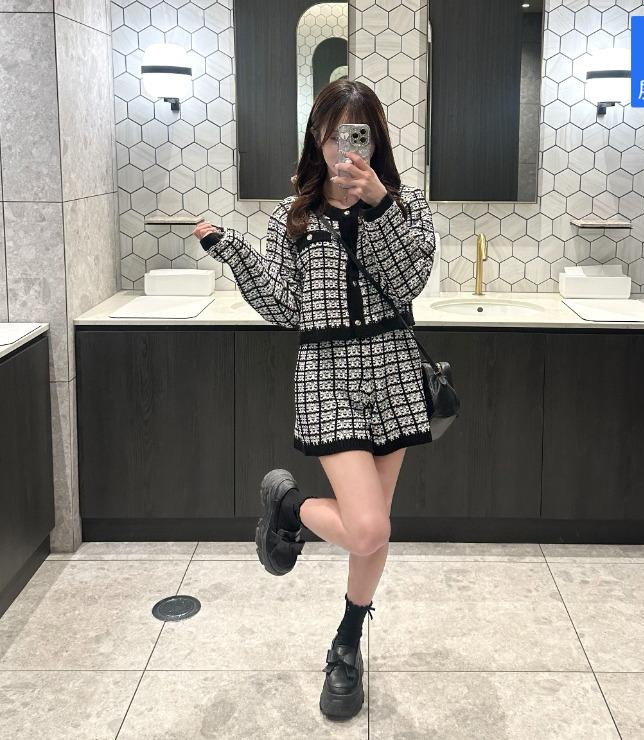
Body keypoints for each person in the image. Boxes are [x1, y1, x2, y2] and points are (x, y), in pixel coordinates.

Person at [193, 79, 436, 720]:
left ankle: (347, 644)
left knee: (373, 527)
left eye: (359, 133)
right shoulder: (294, 215)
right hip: (328, 374)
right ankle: (291, 506)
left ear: (376, 140)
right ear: (317, 138)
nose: (344, 147)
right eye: (333, 134)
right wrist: (233, 252)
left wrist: (377, 206)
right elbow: (284, 306)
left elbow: (408, 282)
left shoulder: (405, 206)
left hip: (392, 371)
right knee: (368, 526)